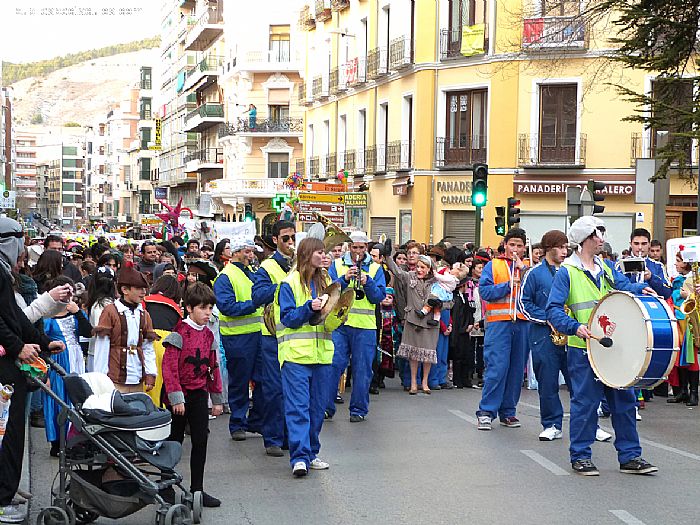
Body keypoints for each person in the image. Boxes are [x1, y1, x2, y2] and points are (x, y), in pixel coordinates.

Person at [546, 216, 658, 476]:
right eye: (598, 235)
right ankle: (581, 456)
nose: (602, 240)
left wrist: (643, 288)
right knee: (585, 403)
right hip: (583, 348)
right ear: (585, 239)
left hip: (612, 346)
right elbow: (552, 310)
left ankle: (630, 456)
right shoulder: (568, 272)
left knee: (624, 400)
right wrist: (575, 327)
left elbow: (624, 288)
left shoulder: (606, 267)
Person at [0, 218, 64, 523]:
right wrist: (17, 347)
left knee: (12, 433)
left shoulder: (4, 274)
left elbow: (15, 319)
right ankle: (1, 498)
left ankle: (6, 491)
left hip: (11, 368)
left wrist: (43, 341)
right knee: (6, 434)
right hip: (4, 371)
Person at [275, 237, 333, 477]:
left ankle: (311, 453)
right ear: (307, 254)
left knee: (317, 409)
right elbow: (288, 319)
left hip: (321, 356)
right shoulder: (288, 283)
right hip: (296, 356)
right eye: (319, 252)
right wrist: (310, 307)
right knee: (298, 408)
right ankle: (299, 457)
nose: (323, 256)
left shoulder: (326, 281)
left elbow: (334, 316)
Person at [162, 283, 223, 507]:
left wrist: (216, 399)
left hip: (198, 393)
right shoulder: (179, 333)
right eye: (203, 308)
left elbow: (213, 367)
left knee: (200, 440)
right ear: (189, 308)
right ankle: (166, 485)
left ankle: (197, 489)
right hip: (178, 395)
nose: (208, 313)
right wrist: (176, 398)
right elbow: (169, 368)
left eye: (210, 308)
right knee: (173, 441)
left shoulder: (208, 336)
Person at [325, 231, 386, 422]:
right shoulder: (336, 264)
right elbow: (329, 291)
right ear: (349, 247)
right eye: (354, 247)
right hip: (341, 323)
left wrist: (368, 282)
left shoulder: (376, 268)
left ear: (366, 247)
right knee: (334, 365)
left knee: (362, 369)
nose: (358, 251)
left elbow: (378, 297)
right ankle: (327, 407)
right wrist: (344, 279)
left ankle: (358, 410)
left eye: (361, 247)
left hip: (365, 327)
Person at [519, 230, 572, 441]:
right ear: (549, 248)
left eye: (566, 247)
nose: (565, 251)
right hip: (544, 336)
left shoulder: (571, 271)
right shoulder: (534, 273)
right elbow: (523, 304)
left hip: (572, 335)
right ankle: (551, 424)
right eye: (561, 247)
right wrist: (548, 318)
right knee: (548, 383)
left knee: (579, 383)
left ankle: (588, 425)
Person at [476, 227, 529, 430]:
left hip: (522, 322)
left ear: (524, 248)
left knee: (516, 370)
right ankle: (486, 411)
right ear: (505, 245)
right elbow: (485, 291)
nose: (515, 249)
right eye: (512, 244)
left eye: (519, 245)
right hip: (499, 324)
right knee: (497, 368)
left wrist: (524, 275)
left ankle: (508, 412)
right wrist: (508, 285)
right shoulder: (493, 265)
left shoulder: (527, 268)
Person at [213, 237, 264, 441]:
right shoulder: (225, 277)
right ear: (235, 253)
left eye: (252, 252)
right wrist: (254, 303)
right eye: (247, 251)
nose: (251, 255)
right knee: (239, 382)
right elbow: (227, 307)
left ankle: (256, 421)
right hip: (237, 337)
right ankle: (237, 423)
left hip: (258, 334)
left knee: (262, 380)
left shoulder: (251, 273)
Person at [251, 221, 295, 457]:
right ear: (276, 240)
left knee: (293, 390)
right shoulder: (267, 267)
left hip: (295, 334)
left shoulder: (300, 265)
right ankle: (273, 438)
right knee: (274, 389)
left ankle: (290, 436)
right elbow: (257, 296)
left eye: (292, 238)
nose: (290, 243)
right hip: (272, 336)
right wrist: (283, 286)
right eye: (285, 238)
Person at [42, 276, 93, 457]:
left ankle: (76, 439)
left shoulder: (74, 312)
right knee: (57, 399)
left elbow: (88, 332)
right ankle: (57, 441)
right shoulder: (47, 316)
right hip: (58, 361)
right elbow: (41, 342)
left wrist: (78, 312)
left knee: (77, 398)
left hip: (76, 358)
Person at [93, 263, 158, 394]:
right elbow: (102, 347)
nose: (143, 292)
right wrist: (101, 378)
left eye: (144, 288)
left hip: (137, 377)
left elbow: (147, 347)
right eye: (138, 288)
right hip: (114, 379)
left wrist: (150, 373)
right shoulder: (110, 311)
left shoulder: (144, 314)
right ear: (125, 290)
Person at [386, 250, 440, 394]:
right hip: (413, 320)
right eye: (418, 266)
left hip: (430, 323)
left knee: (428, 353)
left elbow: (449, 300)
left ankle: (425, 382)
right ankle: (414, 383)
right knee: (413, 354)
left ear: (429, 269)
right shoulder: (410, 277)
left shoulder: (436, 281)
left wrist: (440, 304)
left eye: (423, 267)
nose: (419, 270)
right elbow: (397, 272)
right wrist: (387, 256)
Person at [145, 275, 184, 407]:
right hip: (167, 345)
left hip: (148, 341)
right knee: (164, 384)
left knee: (147, 384)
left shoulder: (145, 301)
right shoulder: (176, 309)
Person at [85, 266, 117, 373]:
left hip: (105, 352)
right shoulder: (101, 305)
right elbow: (101, 328)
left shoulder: (108, 303)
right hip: (100, 353)